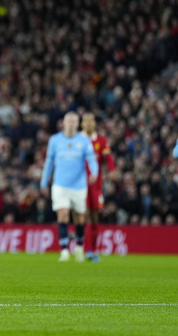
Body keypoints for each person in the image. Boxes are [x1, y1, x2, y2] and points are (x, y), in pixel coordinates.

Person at [40, 112, 98, 263]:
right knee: (63, 214)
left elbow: (92, 159)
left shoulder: (84, 141)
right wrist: (44, 182)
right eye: (69, 121)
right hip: (60, 185)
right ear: (63, 123)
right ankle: (64, 250)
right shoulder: (55, 140)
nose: (71, 124)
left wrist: (94, 172)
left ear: (78, 124)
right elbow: (49, 162)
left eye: (74, 121)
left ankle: (79, 247)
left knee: (80, 218)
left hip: (79, 186)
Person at [80, 112, 115, 262]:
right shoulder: (78, 140)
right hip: (80, 185)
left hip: (96, 186)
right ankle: (87, 249)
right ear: (82, 123)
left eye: (91, 120)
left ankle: (93, 251)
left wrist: (112, 170)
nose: (88, 123)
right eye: (86, 121)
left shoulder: (101, 140)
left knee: (95, 218)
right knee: (86, 216)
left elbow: (108, 158)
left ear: (94, 123)